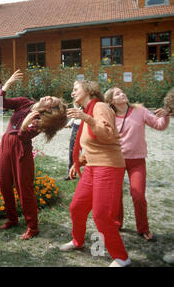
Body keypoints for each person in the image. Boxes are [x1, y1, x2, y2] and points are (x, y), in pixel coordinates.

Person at [60, 81, 130, 267]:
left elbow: (107, 136)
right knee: (77, 207)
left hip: (108, 167)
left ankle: (122, 257)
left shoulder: (100, 107)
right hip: (92, 166)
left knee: (101, 216)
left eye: (75, 89)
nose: (72, 92)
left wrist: (87, 118)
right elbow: (92, 144)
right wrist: (79, 163)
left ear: (88, 90)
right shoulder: (88, 109)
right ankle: (77, 241)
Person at [0, 70, 68, 240]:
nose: (48, 97)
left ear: (51, 108)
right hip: (6, 143)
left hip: (21, 149)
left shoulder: (42, 120)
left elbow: (23, 136)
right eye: (51, 96)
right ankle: (12, 219)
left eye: (52, 100)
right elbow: (0, 103)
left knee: (24, 188)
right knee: (4, 182)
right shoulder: (25, 103)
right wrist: (7, 84)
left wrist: (25, 125)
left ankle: (32, 227)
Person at [104, 87, 170, 242]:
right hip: (116, 160)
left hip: (137, 160)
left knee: (138, 196)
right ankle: (117, 223)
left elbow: (159, 125)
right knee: (115, 195)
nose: (123, 94)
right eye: (118, 94)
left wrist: (165, 116)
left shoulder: (140, 111)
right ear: (111, 101)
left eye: (122, 92)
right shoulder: (109, 115)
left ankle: (143, 228)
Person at [64, 103, 81, 180]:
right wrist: (70, 123)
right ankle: (71, 173)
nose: (73, 94)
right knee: (73, 151)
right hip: (76, 126)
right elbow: (76, 114)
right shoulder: (76, 101)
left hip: (86, 125)